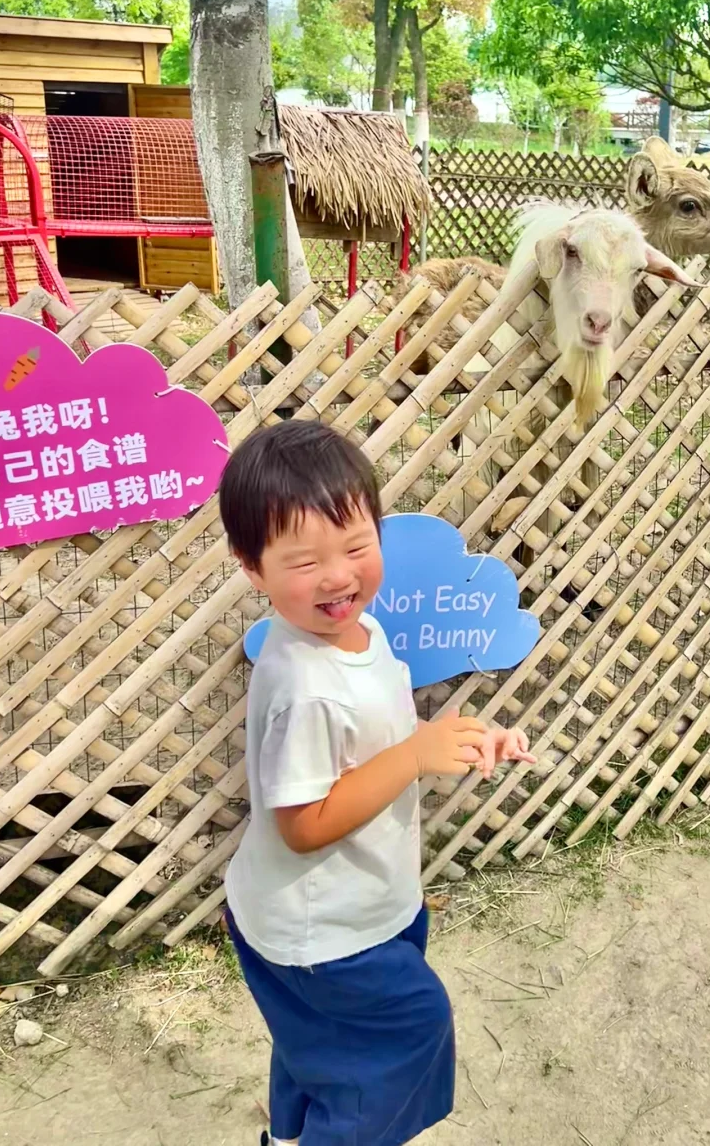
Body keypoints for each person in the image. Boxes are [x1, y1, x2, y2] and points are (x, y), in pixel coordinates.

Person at [218, 419, 536, 1146]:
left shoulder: (360, 633)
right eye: (304, 562)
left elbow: (383, 744)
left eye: (358, 547)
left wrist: (457, 738)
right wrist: (417, 755)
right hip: (324, 932)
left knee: (321, 1050)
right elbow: (304, 827)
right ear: (252, 568)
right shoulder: (304, 683)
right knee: (400, 1044)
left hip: (350, 906)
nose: (338, 576)